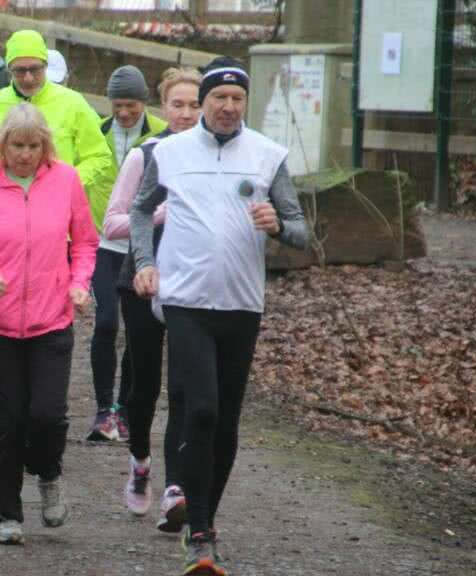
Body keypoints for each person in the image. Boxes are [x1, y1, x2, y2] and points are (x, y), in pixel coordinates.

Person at [129, 57, 308, 575]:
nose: (228, 108)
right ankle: (200, 534)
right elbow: (141, 209)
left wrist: (277, 225)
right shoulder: (170, 151)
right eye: (219, 99)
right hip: (184, 300)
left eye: (237, 100)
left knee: (226, 419)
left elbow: (300, 230)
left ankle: (203, 522)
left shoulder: (268, 155)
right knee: (201, 409)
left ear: (245, 104)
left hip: (241, 303)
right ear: (203, 102)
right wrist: (144, 262)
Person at [0, 102, 98, 545]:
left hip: (52, 319)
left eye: (33, 145)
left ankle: (49, 474)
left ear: (46, 145)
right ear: (1, 145)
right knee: (9, 422)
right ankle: (7, 514)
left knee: (47, 416)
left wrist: (78, 283)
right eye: (17, 145)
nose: (25, 154)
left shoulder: (65, 180)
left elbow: (85, 242)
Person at [103, 66, 201, 523]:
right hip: (141, 279)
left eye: (194, 104)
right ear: (164, 108)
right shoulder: (146, 155)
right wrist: (163, 212)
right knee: (144, 385)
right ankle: (140, 463)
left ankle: (176, 487)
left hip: (193, 284)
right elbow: (114, 222)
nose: (186, 113)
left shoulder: (214, 159)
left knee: (185, 387)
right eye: (178, 105)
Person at [86, 65, 167, 443]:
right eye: (117, 105)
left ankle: (125, 407)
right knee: (104, 324)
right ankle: (104, 409)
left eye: (131, 105)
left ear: (144, 103)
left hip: (144, 246)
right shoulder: (95, 130)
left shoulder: (160, 136)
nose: (123, 113)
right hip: (104, 242)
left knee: (138, 333)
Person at [0, 30, 111, 233]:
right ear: (9, 69)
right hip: (4, 216)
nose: (28, 78)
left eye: (35, 69)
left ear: (46, 66)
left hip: (57, 220)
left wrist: (65, 183)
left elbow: (99, 155)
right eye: (20, 71)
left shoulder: (73, 102)